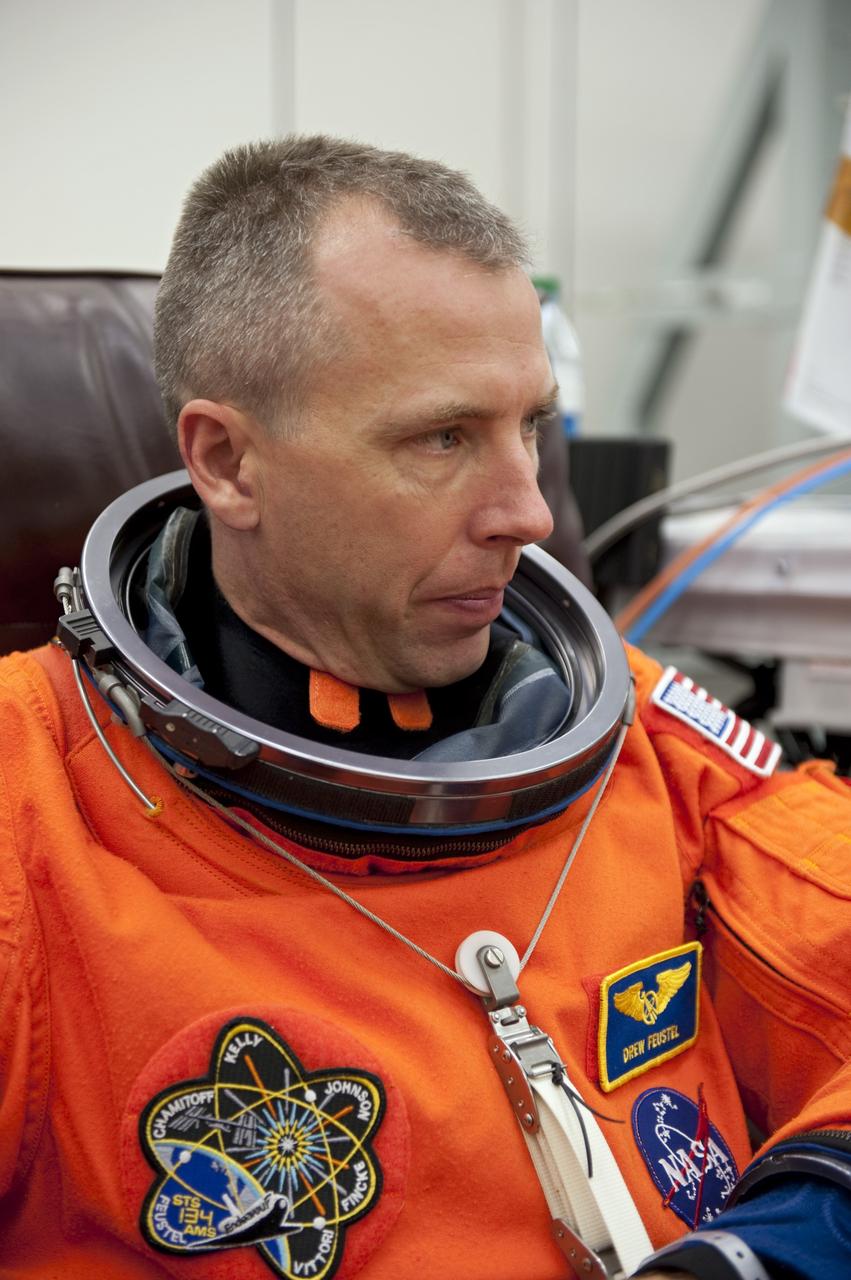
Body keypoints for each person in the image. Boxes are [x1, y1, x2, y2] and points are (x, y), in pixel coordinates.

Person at [0, 136, 849, 1280]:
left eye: (529, 429)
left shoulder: (641, 735)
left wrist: (778, 1239)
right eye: (441, 437)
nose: (529, 512)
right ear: (228, 463)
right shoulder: (32, 802)